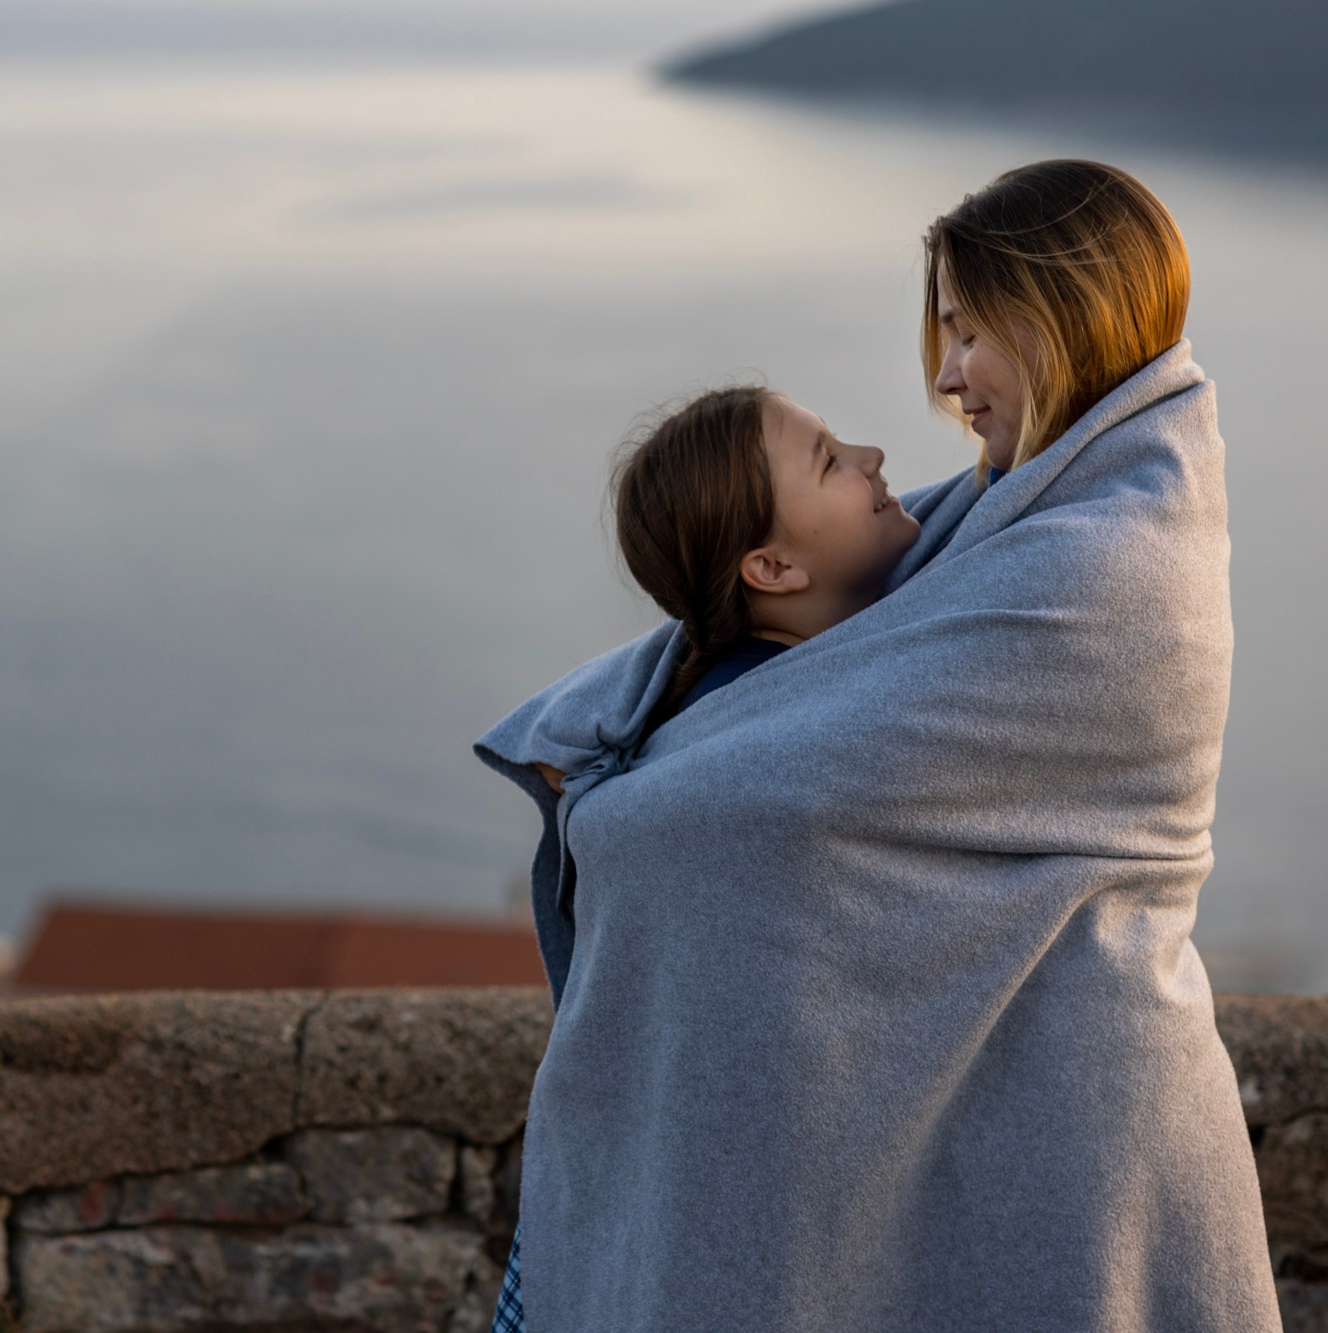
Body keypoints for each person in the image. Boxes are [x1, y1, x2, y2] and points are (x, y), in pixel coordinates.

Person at [477, 159, 1279, 1331]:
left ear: (1054, 314)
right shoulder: (1017, 505)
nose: (946, 377)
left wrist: (611, 801)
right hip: (1039, 1107)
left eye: (967, 332)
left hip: (1085, 1126)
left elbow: (788, 770)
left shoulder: (1105, 566)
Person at [490, 380, 920, 1331]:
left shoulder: (803, 692)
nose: (875, 459)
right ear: (770, 566)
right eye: (831, 462)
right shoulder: (756, 772)